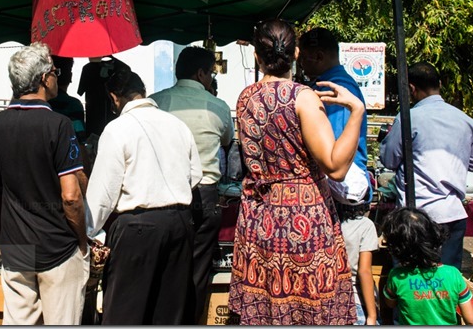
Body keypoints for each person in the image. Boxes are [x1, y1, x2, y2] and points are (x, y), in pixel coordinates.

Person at [228, 19, 365, 325]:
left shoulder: (245, 97)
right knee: (311, 307)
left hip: (259, 219)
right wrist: (356, 111)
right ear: (296, 52)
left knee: (265, 304)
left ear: (257, 56)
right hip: (303, 219)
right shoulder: (303, 97)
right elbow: (336, 166)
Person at [85, 65, 202, 325]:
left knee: (126, 311)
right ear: (143, 92)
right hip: (180, 223)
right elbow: (196, 175)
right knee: (170, 311)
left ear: (114, 97)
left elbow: (103, 191)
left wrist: (88, 230)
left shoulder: (117, 128)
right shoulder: (177, 124)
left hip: (137, 228)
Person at [0, 42, 88, 325]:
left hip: (15, 244)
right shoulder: (58, 124)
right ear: (45, 78)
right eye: (55, 71)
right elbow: (71, 197)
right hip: (56, 245)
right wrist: (82, 241)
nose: (57, 76)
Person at [150, 46, 234, 322]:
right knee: (198, 271)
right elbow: (226, 140)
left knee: (165, 268)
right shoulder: (218, 106)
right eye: (210, 73)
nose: (211, 78)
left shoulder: (155, 102)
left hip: (161, 196)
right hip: (204, 196)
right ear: (201, 73)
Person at [379, 61, 473, 270]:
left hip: (415, 218)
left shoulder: (409, 118)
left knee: (410, 284)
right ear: (440, 84)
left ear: (412, 88)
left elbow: (389, 160)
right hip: (452, 214)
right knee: (446, 285)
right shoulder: (466, 120)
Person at [299, 27, 371, 199]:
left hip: (341, 185)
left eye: (303, 57)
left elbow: (335, 150)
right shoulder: (325, 84)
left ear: (319, 57)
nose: (300, 63)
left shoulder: (335, 88)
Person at [381, 207, 473, 325]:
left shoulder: (397, 277)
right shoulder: (452, 274)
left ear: (398, 249)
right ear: (433, 236)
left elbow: (390, 303)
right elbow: (472, 319)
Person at [333, 198, 379, 325]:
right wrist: (372, 316)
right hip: (356, 301)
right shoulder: (365, 225)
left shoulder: (324, 223)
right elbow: (364, 271)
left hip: (331, 303)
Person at [77, 56, 128, 138]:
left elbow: (80, 91)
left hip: (95, 121)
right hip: (112, 120)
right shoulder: (123, 68)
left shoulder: (88, 69)